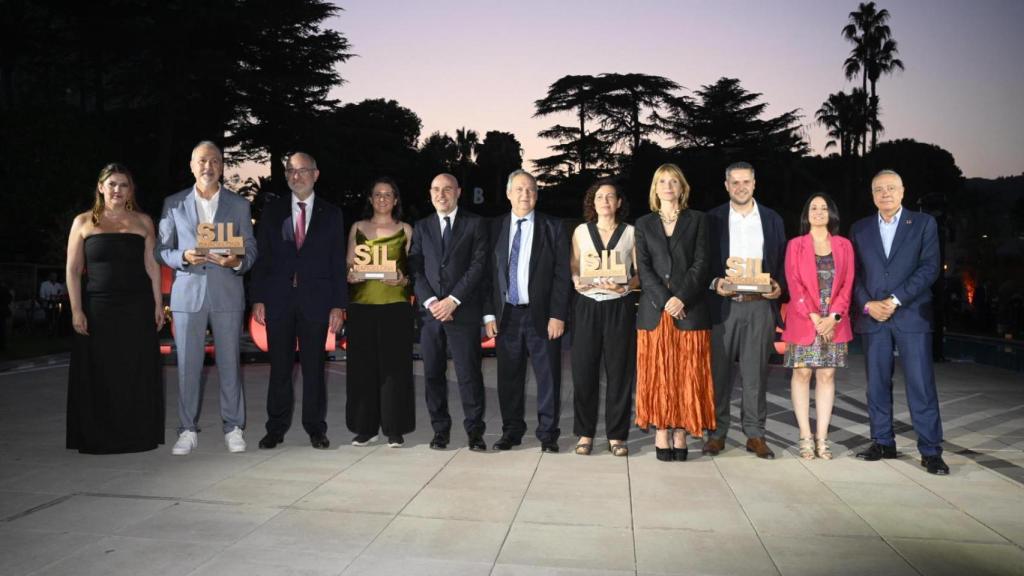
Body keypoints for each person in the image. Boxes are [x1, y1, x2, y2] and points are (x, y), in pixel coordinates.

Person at [158, 141, 257, 456]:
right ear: (192, 165)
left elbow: (251, 248)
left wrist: (237, 261)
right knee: (188, 366)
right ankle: (187, 429)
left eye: (215, 161)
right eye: (202, 160)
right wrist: (183, 256)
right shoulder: (173, 204)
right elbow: (161, 250)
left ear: (222, 167)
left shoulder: (239, 205)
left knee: (230, 363)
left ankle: (234, 427)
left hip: (227, 291)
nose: (208, 166)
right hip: (188, 295)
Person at [852, 170, 948, 475]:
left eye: (891, 188)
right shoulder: (860, 228)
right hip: (874, 319)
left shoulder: (923, 224)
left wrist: (893, 300)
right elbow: (852, 274)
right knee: (877, 384)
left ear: (903, 191)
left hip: (910, 315)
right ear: (872, 195)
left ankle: (930, 450)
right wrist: (867, 304)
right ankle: (882, 441)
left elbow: (930, 268)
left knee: (920, 384)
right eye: (879, 189)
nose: (885, 194)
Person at [66, 163, 164, 453]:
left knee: (133, 371)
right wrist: (76, 309)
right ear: (100, 187)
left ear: (130, 190)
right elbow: (73, 270)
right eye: (112, 184)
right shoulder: (83, 222)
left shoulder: (143, 221)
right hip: (98, 309)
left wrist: (159, 303)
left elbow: (152, 265)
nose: (117, 190)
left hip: (137, 307)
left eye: (123, 185)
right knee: (100, 373)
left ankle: (136, 435)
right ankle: (98, 436)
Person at [251, 152, 346, 450]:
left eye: (302, 170)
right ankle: (275, 428)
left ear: (315, 174)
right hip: (278, 301)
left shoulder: (331, 214)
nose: (296, 175)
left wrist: (338, 304)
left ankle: (315, 428)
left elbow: (336, 262)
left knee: (314, 369)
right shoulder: (273, 210)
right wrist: (258, 298)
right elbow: (263, 258)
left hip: (316, 302)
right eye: (290, 170)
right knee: (279, 369)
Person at [702, 161, 786, 459]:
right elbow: (702, 265)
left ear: (754, 183)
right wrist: (715, 283)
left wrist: (779, 287)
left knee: (755, 375)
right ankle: (717, 433)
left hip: (759, 307)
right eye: (734, 182)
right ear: (726, 185)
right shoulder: (712, 220)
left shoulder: (772, 219)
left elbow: (780, 262)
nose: (740, 187)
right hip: (724, 308)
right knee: (719, 374)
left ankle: (755, 434)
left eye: (746, 182)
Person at [485, 170, 571, 453]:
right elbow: (488, 276)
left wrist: (558, 314)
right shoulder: (494, 227)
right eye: (520, 189)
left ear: (537, 195)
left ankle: (548, 434)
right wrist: (489, 316)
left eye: (531, 190)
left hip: (543, 316)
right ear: (509, 193)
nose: (525, 194)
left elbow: (561, 274)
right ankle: (511, 431)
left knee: (548, 377)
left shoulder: (553, 227)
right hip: (507, 315)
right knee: (508, 378)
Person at [634, 164, 714, 462]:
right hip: (655, 313)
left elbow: (702, 263)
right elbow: (644, 267)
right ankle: (661, 429)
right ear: (655, 189)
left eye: (674, 181)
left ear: (682, 188)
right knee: (658, 376)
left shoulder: (699, 221)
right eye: (662, 181)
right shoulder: (643, 224)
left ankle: (681, 430)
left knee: (686, 376)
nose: (668, 186)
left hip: (690, 311)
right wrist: (666, 299)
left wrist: (681, 298)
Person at [409, 173, 491, 451]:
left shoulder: (476, 224)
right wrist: (432, 302)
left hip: (462, 312)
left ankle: (475, 432)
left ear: (458, 192)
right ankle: (440, 430)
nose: (440, 194)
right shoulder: (421, 227)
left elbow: (479, 266)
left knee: (469, 375)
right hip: (430, 315)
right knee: (432, 374)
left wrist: (453, 300)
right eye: (435, 189)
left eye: (446, 189)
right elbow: (415, 268)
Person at [782, 193, 854, 460]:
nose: (819, 212)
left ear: (831, 214)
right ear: (806, 214)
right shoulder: (796, 245)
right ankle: (805, 436)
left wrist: (833, 317)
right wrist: (814, 317)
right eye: (814, 207)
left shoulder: (844, 245)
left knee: (826, 376)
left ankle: (822, 438)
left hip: (834, 322)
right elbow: (794, 283)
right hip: (804, 320)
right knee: (802, 375)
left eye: (824, 208)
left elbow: (848, 284)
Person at [570, 179, 639, 457]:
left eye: (611, 197)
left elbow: (639, 273)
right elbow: (574, 265)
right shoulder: (581, 231)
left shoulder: (631, 233)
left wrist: (626, 287)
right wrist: (576, 280)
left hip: (618, 306)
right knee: (584, 371)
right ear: (593, 202)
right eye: (600, 197)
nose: (605, 201)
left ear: (619, 202)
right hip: (588, 305)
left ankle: (617, 435)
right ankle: (585, 434)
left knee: (619, 372)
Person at [344, 177, 415, 447]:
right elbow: (349, 265)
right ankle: (365, 428)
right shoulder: (358, 228)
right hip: (362, 305)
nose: (382, 198)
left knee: (395, 370)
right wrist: (351, 276)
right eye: (377, 194)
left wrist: (403, 280)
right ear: (371, 199)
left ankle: (394, 428)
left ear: (396, 200)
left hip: (395, 306)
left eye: (388, 194)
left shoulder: (406, 230)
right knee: (362, 369)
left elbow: (411, 271)